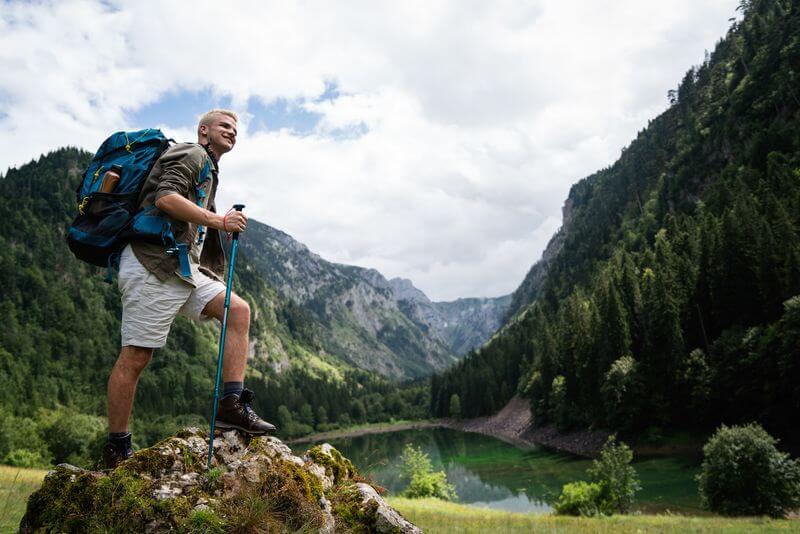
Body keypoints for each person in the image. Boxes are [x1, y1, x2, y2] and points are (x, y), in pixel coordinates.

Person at [103, 109, 275, 469]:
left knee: (237, 310)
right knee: (136, 357)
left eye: (236, 129)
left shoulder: (209, 168)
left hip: (182, 267)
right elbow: (165, 198)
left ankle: (230, 405)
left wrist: (215, 228)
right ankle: (117, 446)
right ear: (204, 131)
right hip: (153, 264)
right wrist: (218, 220)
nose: (232, 132)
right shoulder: (192, 153)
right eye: (224, 126)